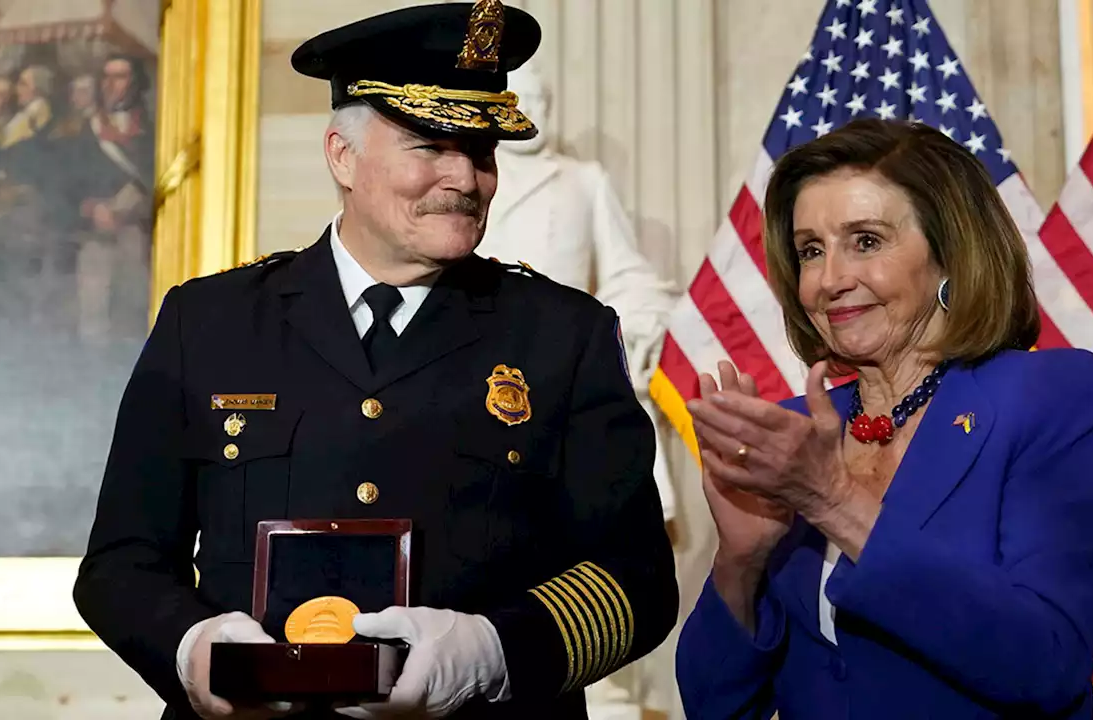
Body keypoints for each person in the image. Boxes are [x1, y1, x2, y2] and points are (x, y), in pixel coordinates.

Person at [71, 2, 678, 719]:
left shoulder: (562, 335)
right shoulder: (208, 322)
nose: (465, 178)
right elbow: (120, 563)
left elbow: (635, 581)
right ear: (341, 155)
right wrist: (191, 645)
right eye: (430, 146)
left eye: (481, 152)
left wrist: (492, 651)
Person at [674, 118, 1093, 719]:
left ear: (951, 254)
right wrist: (741, 561)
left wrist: (834, 500)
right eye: (811, 250)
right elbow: (714, 707)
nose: (830, 280)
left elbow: (1045, 663)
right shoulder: (798, 432)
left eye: (865, 241)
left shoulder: (1049, 397)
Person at [481, 57, 679, 527]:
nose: (533, 110)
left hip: (564, 361)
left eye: (540, 100)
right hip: (482, 361)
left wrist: (641, 312)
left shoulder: (583, 180)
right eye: (518, 101)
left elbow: (625, 272)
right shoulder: (475, 178)